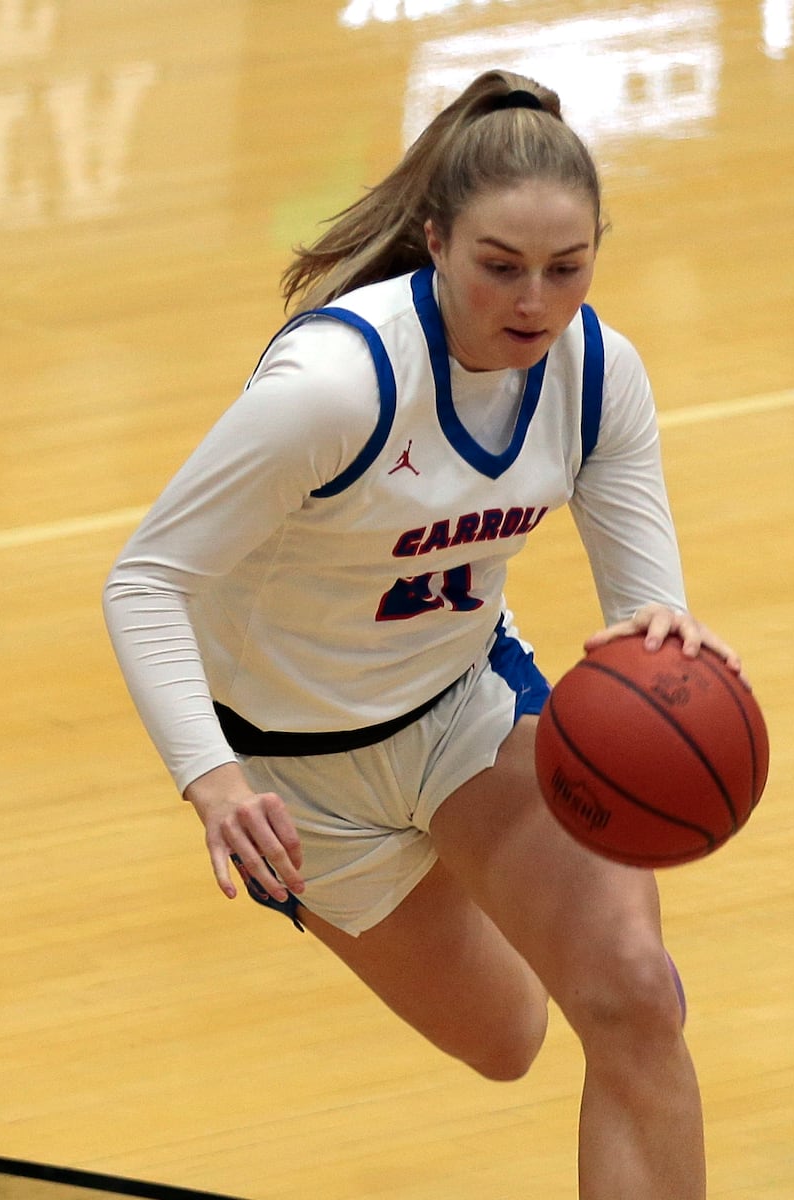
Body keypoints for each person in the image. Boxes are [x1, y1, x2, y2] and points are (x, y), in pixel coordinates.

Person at [102, 70, 741, 1200]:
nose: (535, 303)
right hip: (288, 777)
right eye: (500, 266)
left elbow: (643, 617)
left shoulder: (597, 375)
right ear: (436, 240)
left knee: (633, 998)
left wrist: (678, 661)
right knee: (506, 1039)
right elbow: (144, 581)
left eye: (567, 266)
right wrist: (206, 781)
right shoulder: (335, 386)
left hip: (464, 708)